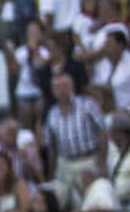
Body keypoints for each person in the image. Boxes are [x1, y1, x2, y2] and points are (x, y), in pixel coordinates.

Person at [44, 71, 106, 201]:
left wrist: (101, 160)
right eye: (57, 88)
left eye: (64, 86)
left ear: (71, 87)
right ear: (53, 92)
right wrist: (51, 172)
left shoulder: (87, 105)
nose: (61, 91)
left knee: (91, 198)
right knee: (64, 200)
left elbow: (103, 132)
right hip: (65, 163)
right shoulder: (52, 113)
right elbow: (52, 146)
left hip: (87, 159)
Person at [93, 27, 130, 113]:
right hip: (105, 112)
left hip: (129, 114)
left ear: (120, 46)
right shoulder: (102, 65)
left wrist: (129, 109)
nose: (105, 47)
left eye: (109, 44)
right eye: (105, 44)